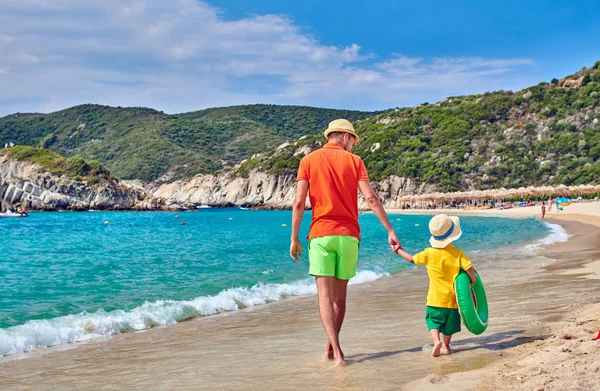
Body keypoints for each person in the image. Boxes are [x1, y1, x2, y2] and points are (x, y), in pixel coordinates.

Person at [290, 119, 402, 367]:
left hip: (321, 235)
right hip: (349, 236)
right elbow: (371, 198)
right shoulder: (355, 162)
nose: (353, 144)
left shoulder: (308, 161)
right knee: (340, 299)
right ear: (343, 137)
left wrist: (294, 237)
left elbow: (299, 202)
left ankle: (336, 352)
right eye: (353, 139)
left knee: (324, 296)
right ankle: (332, 348)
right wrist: (390, 230)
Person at [394, 214, 476, 357]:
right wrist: (472, 282)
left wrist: (398, 250)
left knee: (433, 322)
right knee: (449, 327)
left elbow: (411, 259)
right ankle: (446, 346)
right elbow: (469, 269)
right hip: (452, 301)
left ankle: (435, 341)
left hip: (434, 300)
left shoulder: (428, 253)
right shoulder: (458, 254)